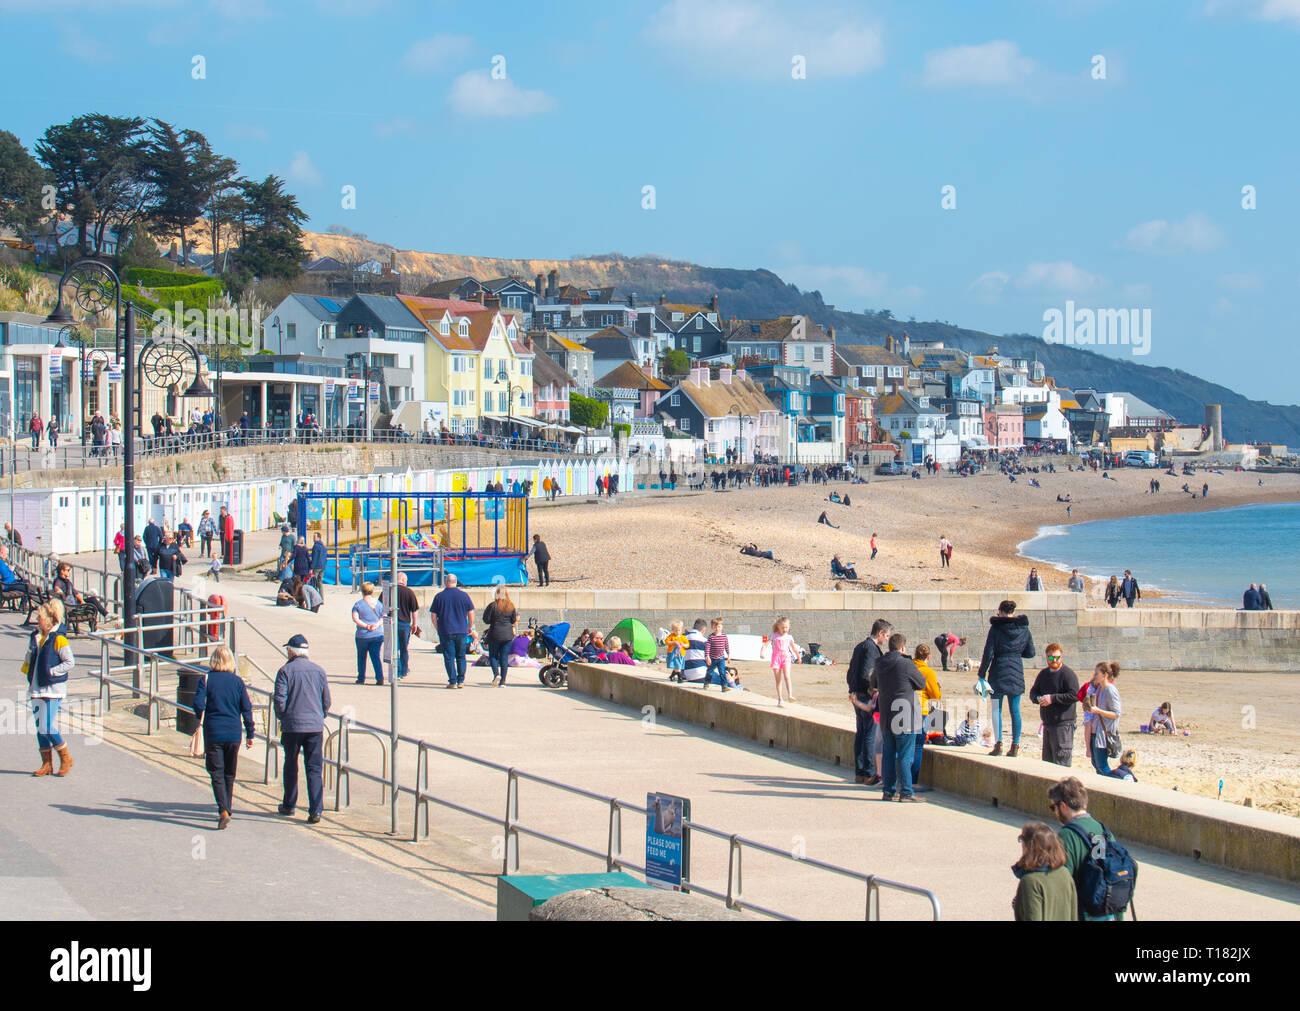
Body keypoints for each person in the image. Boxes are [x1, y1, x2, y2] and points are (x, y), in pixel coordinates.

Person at [189, 644, 255, 828]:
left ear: (214, 660)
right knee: (229, 773)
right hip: (233, 732)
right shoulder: (237, 682)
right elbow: (246, 708)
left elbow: (197, 703)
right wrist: (250, 732)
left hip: (214, 731)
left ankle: (223, 809)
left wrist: (202, 715)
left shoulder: (207, 679)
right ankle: (228, 807)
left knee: (216, 772)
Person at [1048, 777, 1130, 921]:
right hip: (1108, 913)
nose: (1054, 812)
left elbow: (1062, 885)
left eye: (1053, 807)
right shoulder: (1105, 831)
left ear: (1063, 806)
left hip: (1083, 914)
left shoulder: (1067, 836)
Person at [275, 634, 331, 824]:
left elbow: (280, 700)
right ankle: (316, 809)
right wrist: (319, 716)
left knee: (291, 764)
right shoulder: (319, 671)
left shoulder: (285, 671)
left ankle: (289, 804)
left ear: (291, 651)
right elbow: (326, 701)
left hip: (292, 725)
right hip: (315, 726)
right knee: (314, 768)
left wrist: (283, 716)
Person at [977, 600, 1036, 757]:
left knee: (996, 709)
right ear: (1013, 612)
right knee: (1015, 710)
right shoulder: (1024, 629)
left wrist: (982, 674)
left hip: (998, 670)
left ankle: (998, 744)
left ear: (1000, 611)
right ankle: (1015, 745)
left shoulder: (996, 628)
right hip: (1016, 669)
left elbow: (988, 653)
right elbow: (1031, 652)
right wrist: (1015, 653)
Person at [24, 603, 75, 777]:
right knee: (40, 728)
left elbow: (69, 662)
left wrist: (52, 672)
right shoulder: (36, 637)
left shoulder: (59, 638)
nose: (36, 620)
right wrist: (28, 671)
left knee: (47, 726)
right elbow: (31, 657)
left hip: (53, 688)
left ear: (47, 619)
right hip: (37, 688)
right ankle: (46, 764)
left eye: (39, 617)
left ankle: (66, 757)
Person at [875, 633, 925, 802]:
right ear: (903, 648)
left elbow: (872, 682)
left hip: (886, 716)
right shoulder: (906, 663)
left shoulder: (880, 663)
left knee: (888, 753)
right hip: (905, 716)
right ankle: (906, 792)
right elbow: (921, 683)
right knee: (905, 756)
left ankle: (888, 791)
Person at [846, 619, 891, 784]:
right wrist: (874, 691)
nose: (886, 639)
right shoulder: (871, 649)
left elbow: (851, 672)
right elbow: (867, 674)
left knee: (861, 734)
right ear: (880, 633)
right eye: (886, 636)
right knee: (869, 735)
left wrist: (852, 689)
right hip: (865, 696)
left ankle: (860, 772)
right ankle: (869, 772)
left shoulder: (860, 646)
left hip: (856, 694)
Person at [1011, 822, 1078, 922]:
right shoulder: (1065, 874)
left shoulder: (1030, 882)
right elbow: (1073, 915)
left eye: (1022, 839)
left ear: (1029, 846)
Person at [1028, 643, 1079, 766]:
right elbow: (1033, 692)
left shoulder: (1068, 674)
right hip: (1047, 723)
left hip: (1063, 724)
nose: (1054, 660)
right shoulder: (1043, 674)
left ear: (1061, 657)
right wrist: (1038, 698)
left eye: (1057, 657)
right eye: (1051, 657)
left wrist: (1053, 698)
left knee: (1061, 762)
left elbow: (1075, 695)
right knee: (1047, 763)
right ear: (1046, 657)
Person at [430, 573, 475, 688]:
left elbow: (433, 615)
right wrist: (470, 626)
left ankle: (452, 681)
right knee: (461, 655)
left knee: (449, 657)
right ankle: (461, 680)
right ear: (456, 582)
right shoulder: (464, 596)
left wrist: (438, 628)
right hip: (461, 630)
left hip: (446, 630)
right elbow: (471, 612)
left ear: (446, 582)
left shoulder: (439, 597)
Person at [1083, 661, 1121, 775]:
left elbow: (1116, 713)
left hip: (1103, 733)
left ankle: (1111, 786)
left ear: (1104, 675)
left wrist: (1098, 711)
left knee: (1102, 765)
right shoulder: (1099, 689)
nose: (1094, 676)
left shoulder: (1110, 690)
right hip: (1095, 731)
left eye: (1097, 674)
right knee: (1096, 763)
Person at [911, 643, 941, 788]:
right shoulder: (928, 672)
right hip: (921, 711)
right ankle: (913, 782)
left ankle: (901, 780)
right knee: (917, 747)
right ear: (928, 657)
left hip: (903, 710)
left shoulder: (909, 666)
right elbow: (935, 695)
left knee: (905, 746)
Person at [482, 585, 518, 686]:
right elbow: (513, 620)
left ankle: (496, 674)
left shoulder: (493, 606)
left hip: (495, 633)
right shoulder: (511, 606)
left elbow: (486, 619)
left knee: (493, 655)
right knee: (504, 657)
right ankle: (503, 681)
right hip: (507, 634)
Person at [352, 582, 386, 685]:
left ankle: (361, 678)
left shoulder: (358, 605)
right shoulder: (379, 604)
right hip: (377, 634)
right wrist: (376, 625)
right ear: (372, 591)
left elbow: (355, 618)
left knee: (361, 657)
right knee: (375, 656)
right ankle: (380, 677)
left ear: (362, 591)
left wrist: (366, 626)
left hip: (362, 635)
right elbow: (384, 617)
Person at [763, 616, 798, 707]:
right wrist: (762, 652)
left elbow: (793, 648)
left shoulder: (789, 637)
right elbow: (765, 645)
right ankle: (780, 699)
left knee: (787, 676)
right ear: (778, 627)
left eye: (786, 627)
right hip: (776, 658)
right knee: (778, 680)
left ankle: (790, 695)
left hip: (786, 657)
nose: (785, 629)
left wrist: (798, 656)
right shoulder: (774, 636)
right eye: (783, 628)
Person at [392, 572, 419, 680]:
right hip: (405, 624)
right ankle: (404, 670)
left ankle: (397, 671)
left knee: (394, 649)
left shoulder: (389, 590)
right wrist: (414, 624)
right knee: (404, 648)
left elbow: (381, 607)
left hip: (392, 623)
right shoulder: (409, 592)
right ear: (403, 580)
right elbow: (414, 610)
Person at [704, 617, 736, 690]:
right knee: (710, 672)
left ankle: (724, 686)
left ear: (722, 627)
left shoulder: (724, 636)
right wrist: (707, 656)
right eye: (715, 627)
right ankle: (706, 683)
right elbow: (707, 647)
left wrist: (729, 655)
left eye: (719, 626)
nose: (717, 628)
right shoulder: (711, 637)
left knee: (722, 672)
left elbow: (726, 646)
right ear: (712, 627)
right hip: (712, 658)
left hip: (721, 658)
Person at [682, 619, 709, 685]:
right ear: (703, 630)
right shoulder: (704, 640)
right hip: (701, 674)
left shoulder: (683, 638)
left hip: (686, 674)